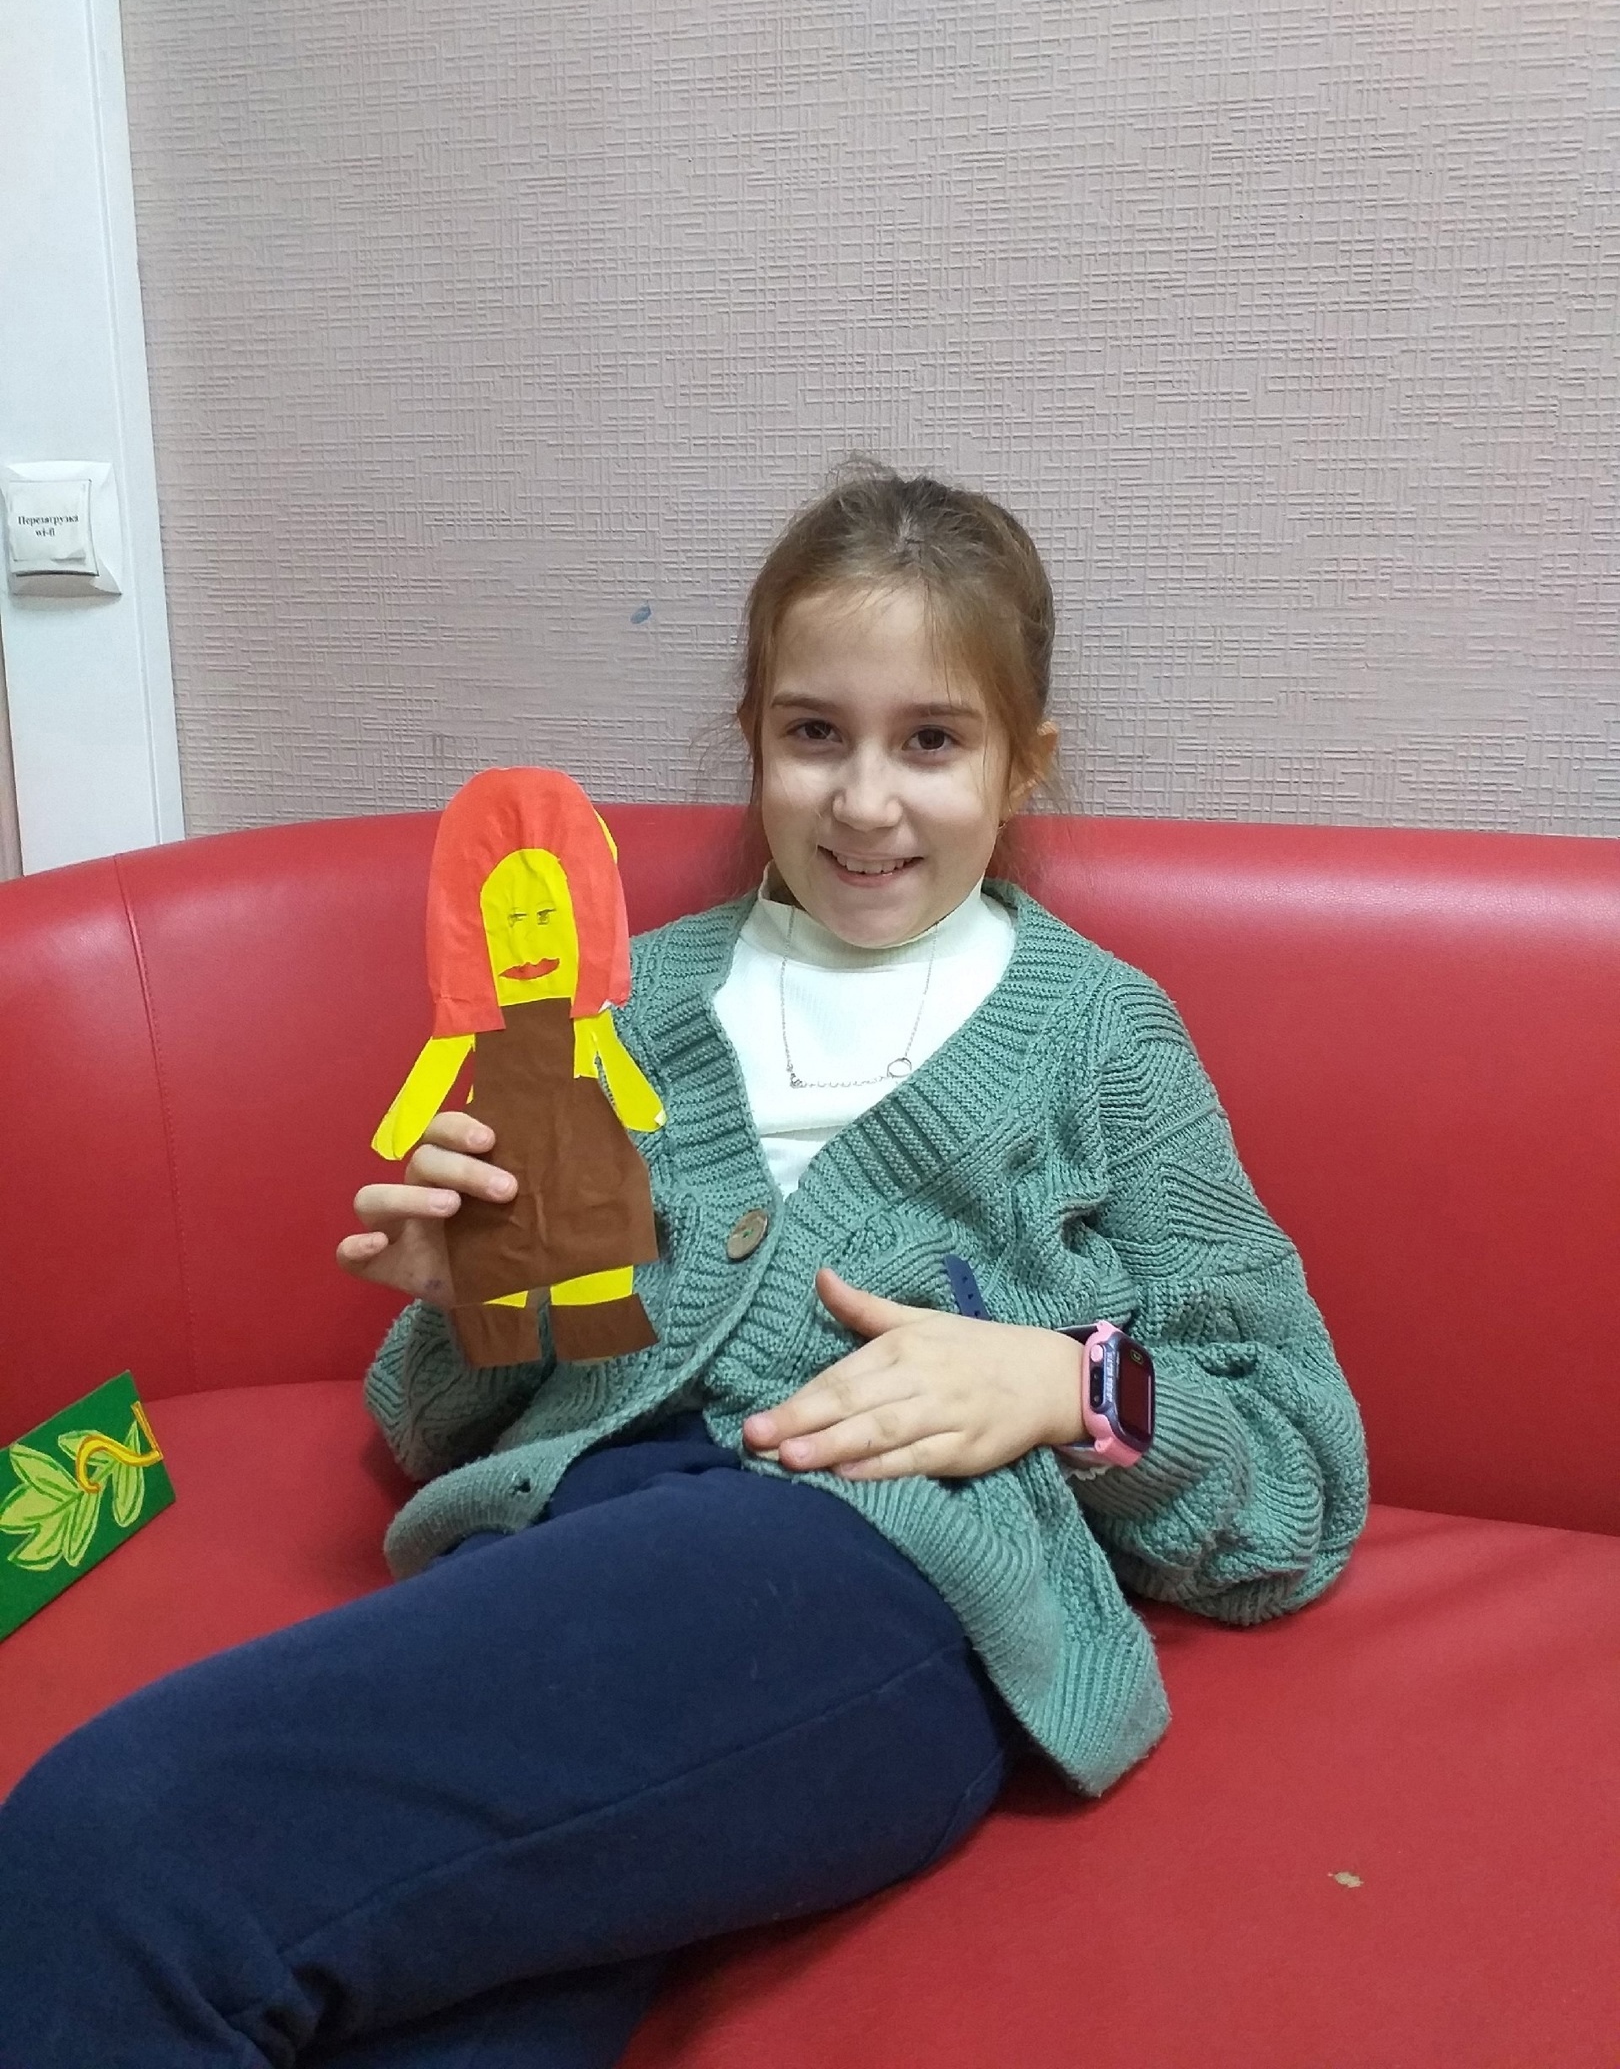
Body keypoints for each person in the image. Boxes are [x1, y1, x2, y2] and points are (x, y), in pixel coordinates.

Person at [0, 464, 1369, 2067]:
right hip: (562, 1551)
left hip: (875, 1574)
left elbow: (1299, 1480)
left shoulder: (1103, 1038)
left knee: (109, 1845)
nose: (865, 801)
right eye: (816, 733)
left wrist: (1063, 1383)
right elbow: (433, 1425)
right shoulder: (620, 1004)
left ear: (1022, 766)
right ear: (753, 741)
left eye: (932, 741)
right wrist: (476, 1295)